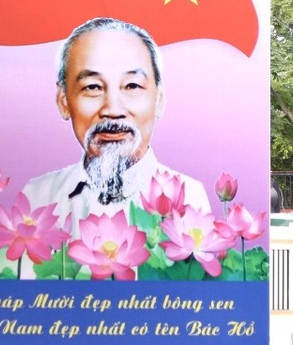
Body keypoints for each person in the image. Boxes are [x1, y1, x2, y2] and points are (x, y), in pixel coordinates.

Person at [20, 17, 212, 233]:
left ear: (159, 99)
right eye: (92, 87)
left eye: (132, 85)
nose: (112, 110)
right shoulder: (37, 197)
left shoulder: (191, 198)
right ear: (63, 100)